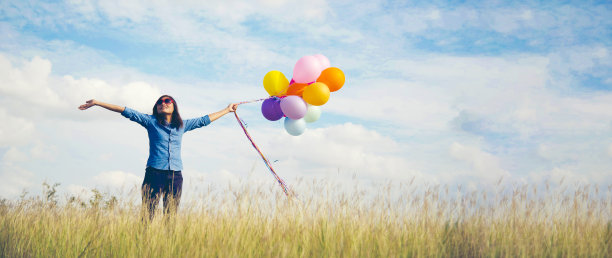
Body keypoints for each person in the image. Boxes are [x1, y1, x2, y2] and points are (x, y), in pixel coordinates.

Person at [79, 95, 238, 220]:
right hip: (154, 173)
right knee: (148, 214)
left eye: (167, 100)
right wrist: (98, 102)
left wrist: (227, 109)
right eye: (159, 102)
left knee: (171, 216)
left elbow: (204, 120)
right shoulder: (150, 121)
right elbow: (126, 111)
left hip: (175, 175)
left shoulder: (182, 125)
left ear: (174, 106)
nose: (163, 103)